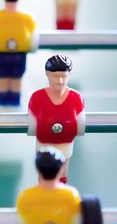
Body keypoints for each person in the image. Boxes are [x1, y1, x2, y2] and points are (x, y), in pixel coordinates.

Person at [28, 55, 85, 183]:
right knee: (44, 175)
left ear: (68, 75)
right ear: (47, 74)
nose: (59, 81)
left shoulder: (76, 98)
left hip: (65, 144)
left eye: (63, 76)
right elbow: (32, 122)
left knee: (62, 173)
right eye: (55, 76)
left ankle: (60, 194)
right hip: (44, 145)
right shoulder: (36, 98)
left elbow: (80, 124)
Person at [17, 148, 81, 224]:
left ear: (37, 169)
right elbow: (76, 220)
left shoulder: (26, 196)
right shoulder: (71, 195)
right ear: (61, 168)